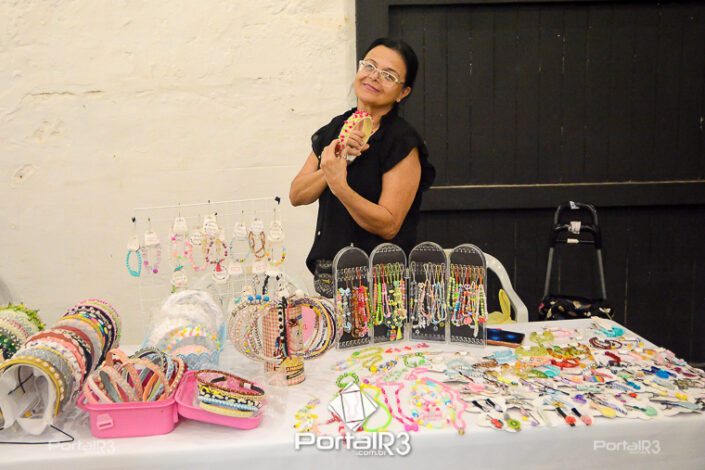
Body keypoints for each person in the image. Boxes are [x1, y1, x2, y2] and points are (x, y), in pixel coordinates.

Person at [289, 37, 435, 295]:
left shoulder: (401, 142)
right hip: (329, 274)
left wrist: (340, 186)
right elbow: (297, 195)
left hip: (380, 284)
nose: (374, 77)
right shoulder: (335, 128)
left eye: (389, 75)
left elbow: (388, 225)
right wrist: (337, 161)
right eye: (369, 66)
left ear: (403, 92)